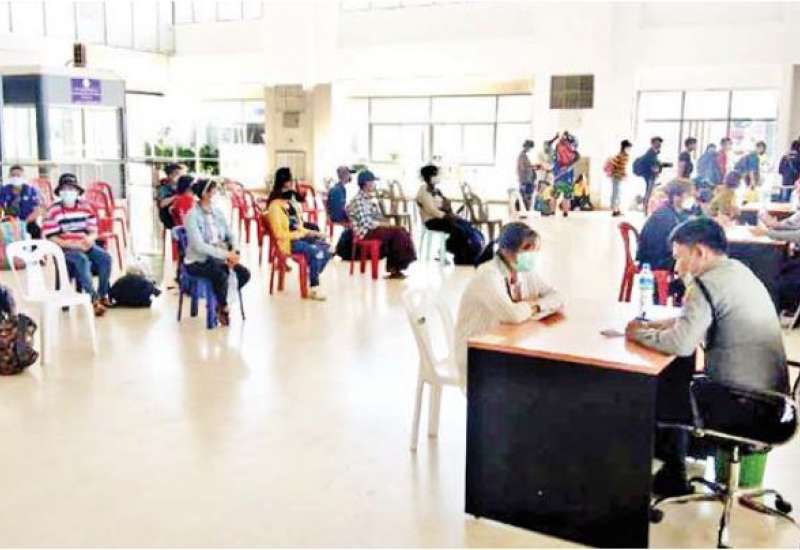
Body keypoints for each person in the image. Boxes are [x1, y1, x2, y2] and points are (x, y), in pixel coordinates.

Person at [626, 217, 789, 496]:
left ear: (699, 252)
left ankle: (673, 475)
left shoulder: (705, 284)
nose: (676, 268)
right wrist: (657, 325)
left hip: (743, 403)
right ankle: (676, 459)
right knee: (680, 377)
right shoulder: (737, 271)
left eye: (679, 258)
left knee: (662, 390)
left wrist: (637, 334)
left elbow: (681, 344)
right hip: (774, 402)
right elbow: (698, 318)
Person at [454, 222, 563, 388]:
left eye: (534, 249)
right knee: (533, 380)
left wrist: (536, 305)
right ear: (506, 250)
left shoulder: (525, 271)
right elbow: (513, 315)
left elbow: (557, 296)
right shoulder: (488, 275)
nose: (531, 255)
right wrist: (534, 306)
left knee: (545, 375)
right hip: (477, 354)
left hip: (504, 345)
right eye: (527, 249)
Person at [183, 179, 251, 326]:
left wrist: (234, 251)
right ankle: (223, 307)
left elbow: (230, 235)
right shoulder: (191, 216)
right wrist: (226, 255)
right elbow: (199, 246)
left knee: (244, 274)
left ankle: (221, 300)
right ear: (205, 194)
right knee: (220, 274)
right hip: (198, 260)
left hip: (220, 257)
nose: (215, 193)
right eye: (213, 191)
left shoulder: (217, 212)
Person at [42, 173, 112, 317]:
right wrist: (72, 244)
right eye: (65, 189)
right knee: (82, 260)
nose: (68, 192)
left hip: (84, 243)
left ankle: (102, 295)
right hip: (65, 247)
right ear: (60, 192)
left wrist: (90, 239)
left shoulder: (85, 207)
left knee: (105, 258)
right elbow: (51, 236)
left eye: (71, 188)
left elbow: (93, 230)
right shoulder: (53, 211)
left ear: (77, 191)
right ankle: (93, 299)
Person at [266, 173, 331, 301]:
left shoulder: (290, 205)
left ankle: (312, 272)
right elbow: (279, 235)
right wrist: (300, 234)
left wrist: (312, 233)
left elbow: (298, 227)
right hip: (288, 242)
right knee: (316, 251)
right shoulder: (275, 208)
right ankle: (314, 287)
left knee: (328, 248)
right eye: (286, 188)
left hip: (298, 238)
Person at [346, 170, 417, 279]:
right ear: (366, 183)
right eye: (372, 182)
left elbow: (377, 216)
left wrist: (384, 222)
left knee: (401, 230)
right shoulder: (358, 200)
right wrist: (383, 224)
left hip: (373, 229)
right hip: (365, 233)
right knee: (397, 232)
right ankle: (396, 267)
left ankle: (397, 267)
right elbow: (367, 223)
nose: (374, 184)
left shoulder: (368, 199)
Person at [416, 164, 482, 265]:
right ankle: (451, 253)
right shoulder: (423, 191)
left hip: (443, 217)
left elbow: (445, 204)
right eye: (435, 174)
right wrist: (447, 216)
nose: (438, 177)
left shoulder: (437, 190)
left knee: (467, 225)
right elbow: (432, 210)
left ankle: (467, 254)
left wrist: (450, 211)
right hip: (432, 221)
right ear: (428, 176)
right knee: (458, 230)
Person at [636, 179, 695, 271]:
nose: (692, 199)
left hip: (660, 258)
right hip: (657, 263)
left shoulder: (672, 212)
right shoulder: (664, 218)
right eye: (689, 195)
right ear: (676, 197)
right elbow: (667, 248)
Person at [0, 164, 43, 238]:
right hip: (8, 222)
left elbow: (38, 210)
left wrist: (24, 223)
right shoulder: (4, 190)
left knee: (36, 231)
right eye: (13, 175)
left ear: (23, 177)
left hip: (27, 222)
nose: (16, 177)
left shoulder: (31, 190)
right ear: (9, 176)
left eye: (18, 175)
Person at [552, 131, 580, 217]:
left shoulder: (558, 146)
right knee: (566, 195)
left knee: (555, 194)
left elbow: (554, 158)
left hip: (558, 172)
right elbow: (577, 156)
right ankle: (565, 212)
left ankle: (552, 211)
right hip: (567, 173)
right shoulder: (571, 147)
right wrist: (568, 165)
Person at [634, 137, 664, 215]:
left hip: (651, 176)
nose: (659, 144)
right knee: (649, 192)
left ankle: (646, 209)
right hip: (650, 176)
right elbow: (650, 164)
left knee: (649, 192)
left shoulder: (654, 153)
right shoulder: (650, 153)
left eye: (660, 143)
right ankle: (646, 209)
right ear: (652, 144)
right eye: (657, 143)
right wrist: (655, 169)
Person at [607, 139, 632, 217]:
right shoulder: (620, 155)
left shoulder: (625, 155)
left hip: (619, 177)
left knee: (618, 193)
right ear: (624, 147)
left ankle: (617, 209)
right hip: (616, 177)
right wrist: (620, 173)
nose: (629, 149)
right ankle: (614, 210)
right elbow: (615, 165)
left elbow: (622, 167)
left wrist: (624, 174)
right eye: (628, 147)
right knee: (616, 193)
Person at [157, 163, 183, 230]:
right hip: (169, 219)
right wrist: (176, 196)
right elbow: (162, 204)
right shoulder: (164, 188)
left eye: (181, 174)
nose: (180, 177)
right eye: (177, 174)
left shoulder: (181, 186)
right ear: (170, 175)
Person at [517, 140, 536, 210]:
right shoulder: (522, 156)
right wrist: (531, 167)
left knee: (528, 198)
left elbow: (526, 167)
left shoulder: (524, 156)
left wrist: (533, 167)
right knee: (526, 198)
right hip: (525, 181)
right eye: (529, 147)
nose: (529, 149)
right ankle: (526, 212)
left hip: (528, 180)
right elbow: (522, 168)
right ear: (526, 146)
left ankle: (527, 211)